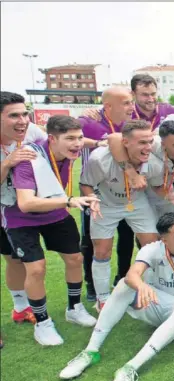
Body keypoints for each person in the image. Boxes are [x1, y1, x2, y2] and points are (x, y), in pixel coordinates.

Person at [58, 213, 174, 381]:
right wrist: (140, 285)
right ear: (164, 240)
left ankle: (129, 369)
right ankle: (90, 351)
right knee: (125, 284)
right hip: (158, 307)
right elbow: (133, 274)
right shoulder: (152, 249)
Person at [4, 115, 100, 345]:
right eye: (70, 139)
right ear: (52, 139)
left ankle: (74, 308)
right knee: (36, 269)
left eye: (79, 138)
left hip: (56, 213)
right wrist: (68, 201)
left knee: (75, 259)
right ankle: (42, 322)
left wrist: (100, 143)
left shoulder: (68, 151)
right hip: (22, 219)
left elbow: (84, 142)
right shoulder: (30, 158)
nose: (77, 144)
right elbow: (26, 203)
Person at [79, 120, 170, 311]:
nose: (148, 148)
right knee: (102, 250)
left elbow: (156, 186)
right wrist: (92, 198)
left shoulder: (154, 163)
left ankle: (148, 289)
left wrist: (172, 195)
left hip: (136, 202)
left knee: (152, 244)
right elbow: (85, 183)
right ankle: (103, 299)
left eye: (149, 142)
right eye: (142, 143)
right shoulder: (99, 160)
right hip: (106, 204)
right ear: (125, 143)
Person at [79, 87, 136, 299]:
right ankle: (92, 286)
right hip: (93, 190)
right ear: (108, 106)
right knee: (92, 240)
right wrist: (95, 143)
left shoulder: (129, 124)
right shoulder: (88, 121)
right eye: (126, 103)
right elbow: (66, 135)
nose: (132, 106)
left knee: (126, 237)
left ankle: (122, 277)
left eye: (131, 102)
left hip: (122, 191)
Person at [1, 92, 37, 329]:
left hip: (16, 210)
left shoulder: (32, 132)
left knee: (18, 259)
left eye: (25, 113)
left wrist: (97, 141)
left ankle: (21, 308)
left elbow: (60, 140)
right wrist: (7, 162)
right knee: (13, 260)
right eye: (14, 115)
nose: (22, 120)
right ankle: (19, 307)